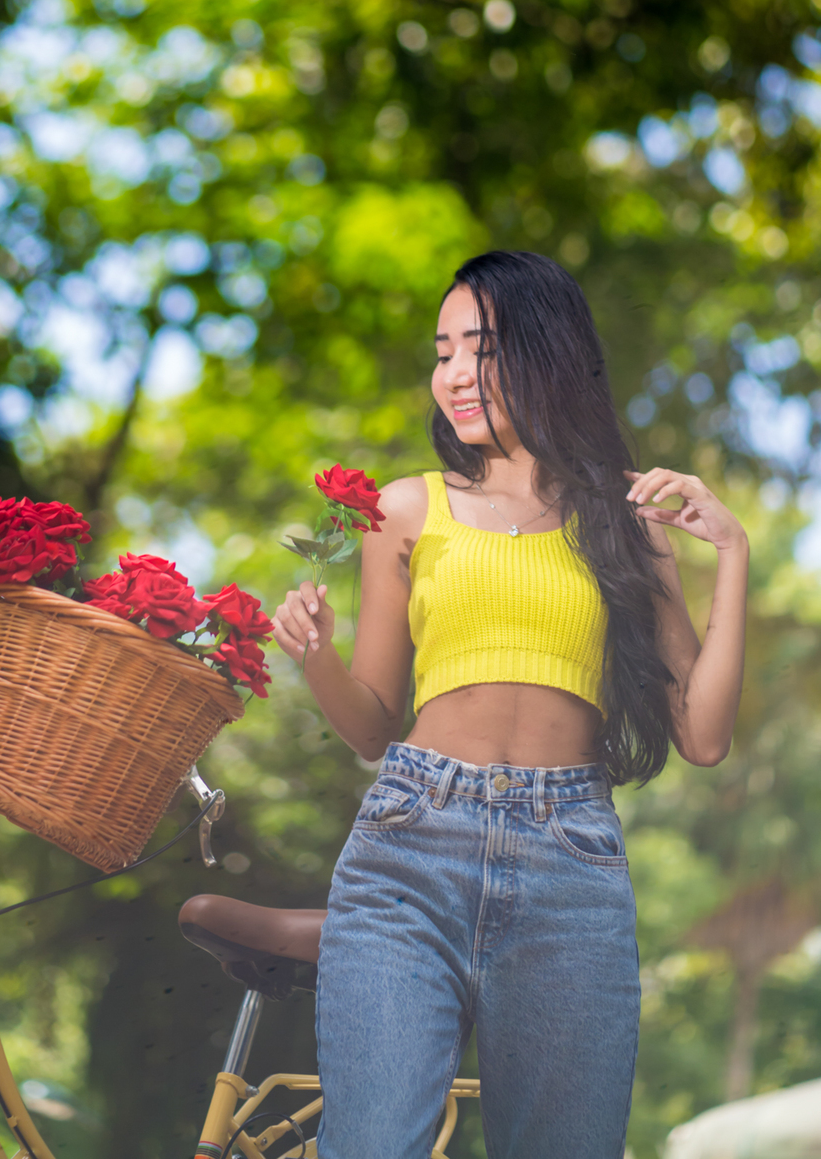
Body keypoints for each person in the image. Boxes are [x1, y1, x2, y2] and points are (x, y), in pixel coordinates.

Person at [270, 250, 748, 1159]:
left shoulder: (624, 519)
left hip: (569, 864)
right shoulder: (404, 510)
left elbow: (705, 735)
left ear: (545, 352)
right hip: (409, 845)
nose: (452, 373)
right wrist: (317, 659)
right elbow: (372, 722)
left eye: (477, 348)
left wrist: (732, 552)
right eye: (442, 350)